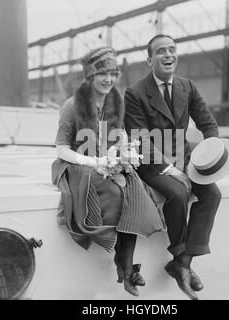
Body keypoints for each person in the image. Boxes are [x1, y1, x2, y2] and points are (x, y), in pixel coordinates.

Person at [52, 47, 164, 297]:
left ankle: (125, 266)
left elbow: (120, 136)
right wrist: (95, 163)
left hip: (107, 160)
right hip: (77, 164)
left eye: (113, 73)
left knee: (134, 190)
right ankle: (125, 267)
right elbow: (61, 150)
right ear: (90, 76)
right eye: (102, 73)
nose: (108, 79)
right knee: (115, 193)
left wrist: (124, 155)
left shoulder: (116, 102)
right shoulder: (72, 106)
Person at [124, 34, 222, 300]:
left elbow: (207, 123)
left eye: (172, 50)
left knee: (212, 194)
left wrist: (210, 154)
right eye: (160, 51)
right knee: (177, 193)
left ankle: (184, 261)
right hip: (151, 162)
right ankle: (179, 256)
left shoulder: (186, 86)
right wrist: (171, 169)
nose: (168, 55)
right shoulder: (134, 93)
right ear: (149, 60)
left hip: (184, 158)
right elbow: (140, 140)